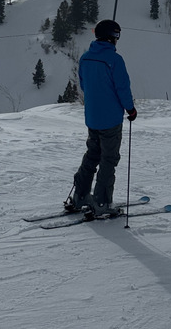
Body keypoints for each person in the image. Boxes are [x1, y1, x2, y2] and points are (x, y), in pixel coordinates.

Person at [68, 19, 137, 216]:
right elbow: (122, 88)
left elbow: (83, 85)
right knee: (109, 159)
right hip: (111, 120)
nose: (117, 40)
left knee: (92, 155)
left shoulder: (86, 58)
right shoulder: (115, 60)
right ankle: (101, 202)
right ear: (111, 37)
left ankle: (80, 196)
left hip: (92, 117)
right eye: (116, 36)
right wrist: (130, 109)